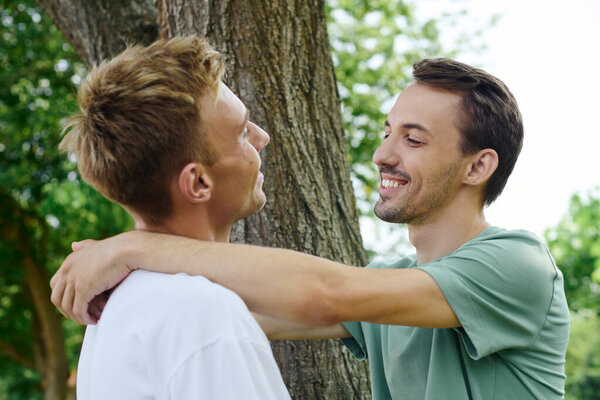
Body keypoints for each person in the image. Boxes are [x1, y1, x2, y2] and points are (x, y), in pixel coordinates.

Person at [52, 58, 569, 399]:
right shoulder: (385, 292)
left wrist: (137, 246)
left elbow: (323, 294)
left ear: (477, 168)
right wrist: (131, 290)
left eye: (413, 140)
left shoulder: (518, 265)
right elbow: (233, 313)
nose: (382, 154)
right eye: (388, 133)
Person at [58, 36, 290, 399]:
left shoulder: (116, 310)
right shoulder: (204, 314)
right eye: (243, 132)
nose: (263, 137)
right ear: (198, 183)